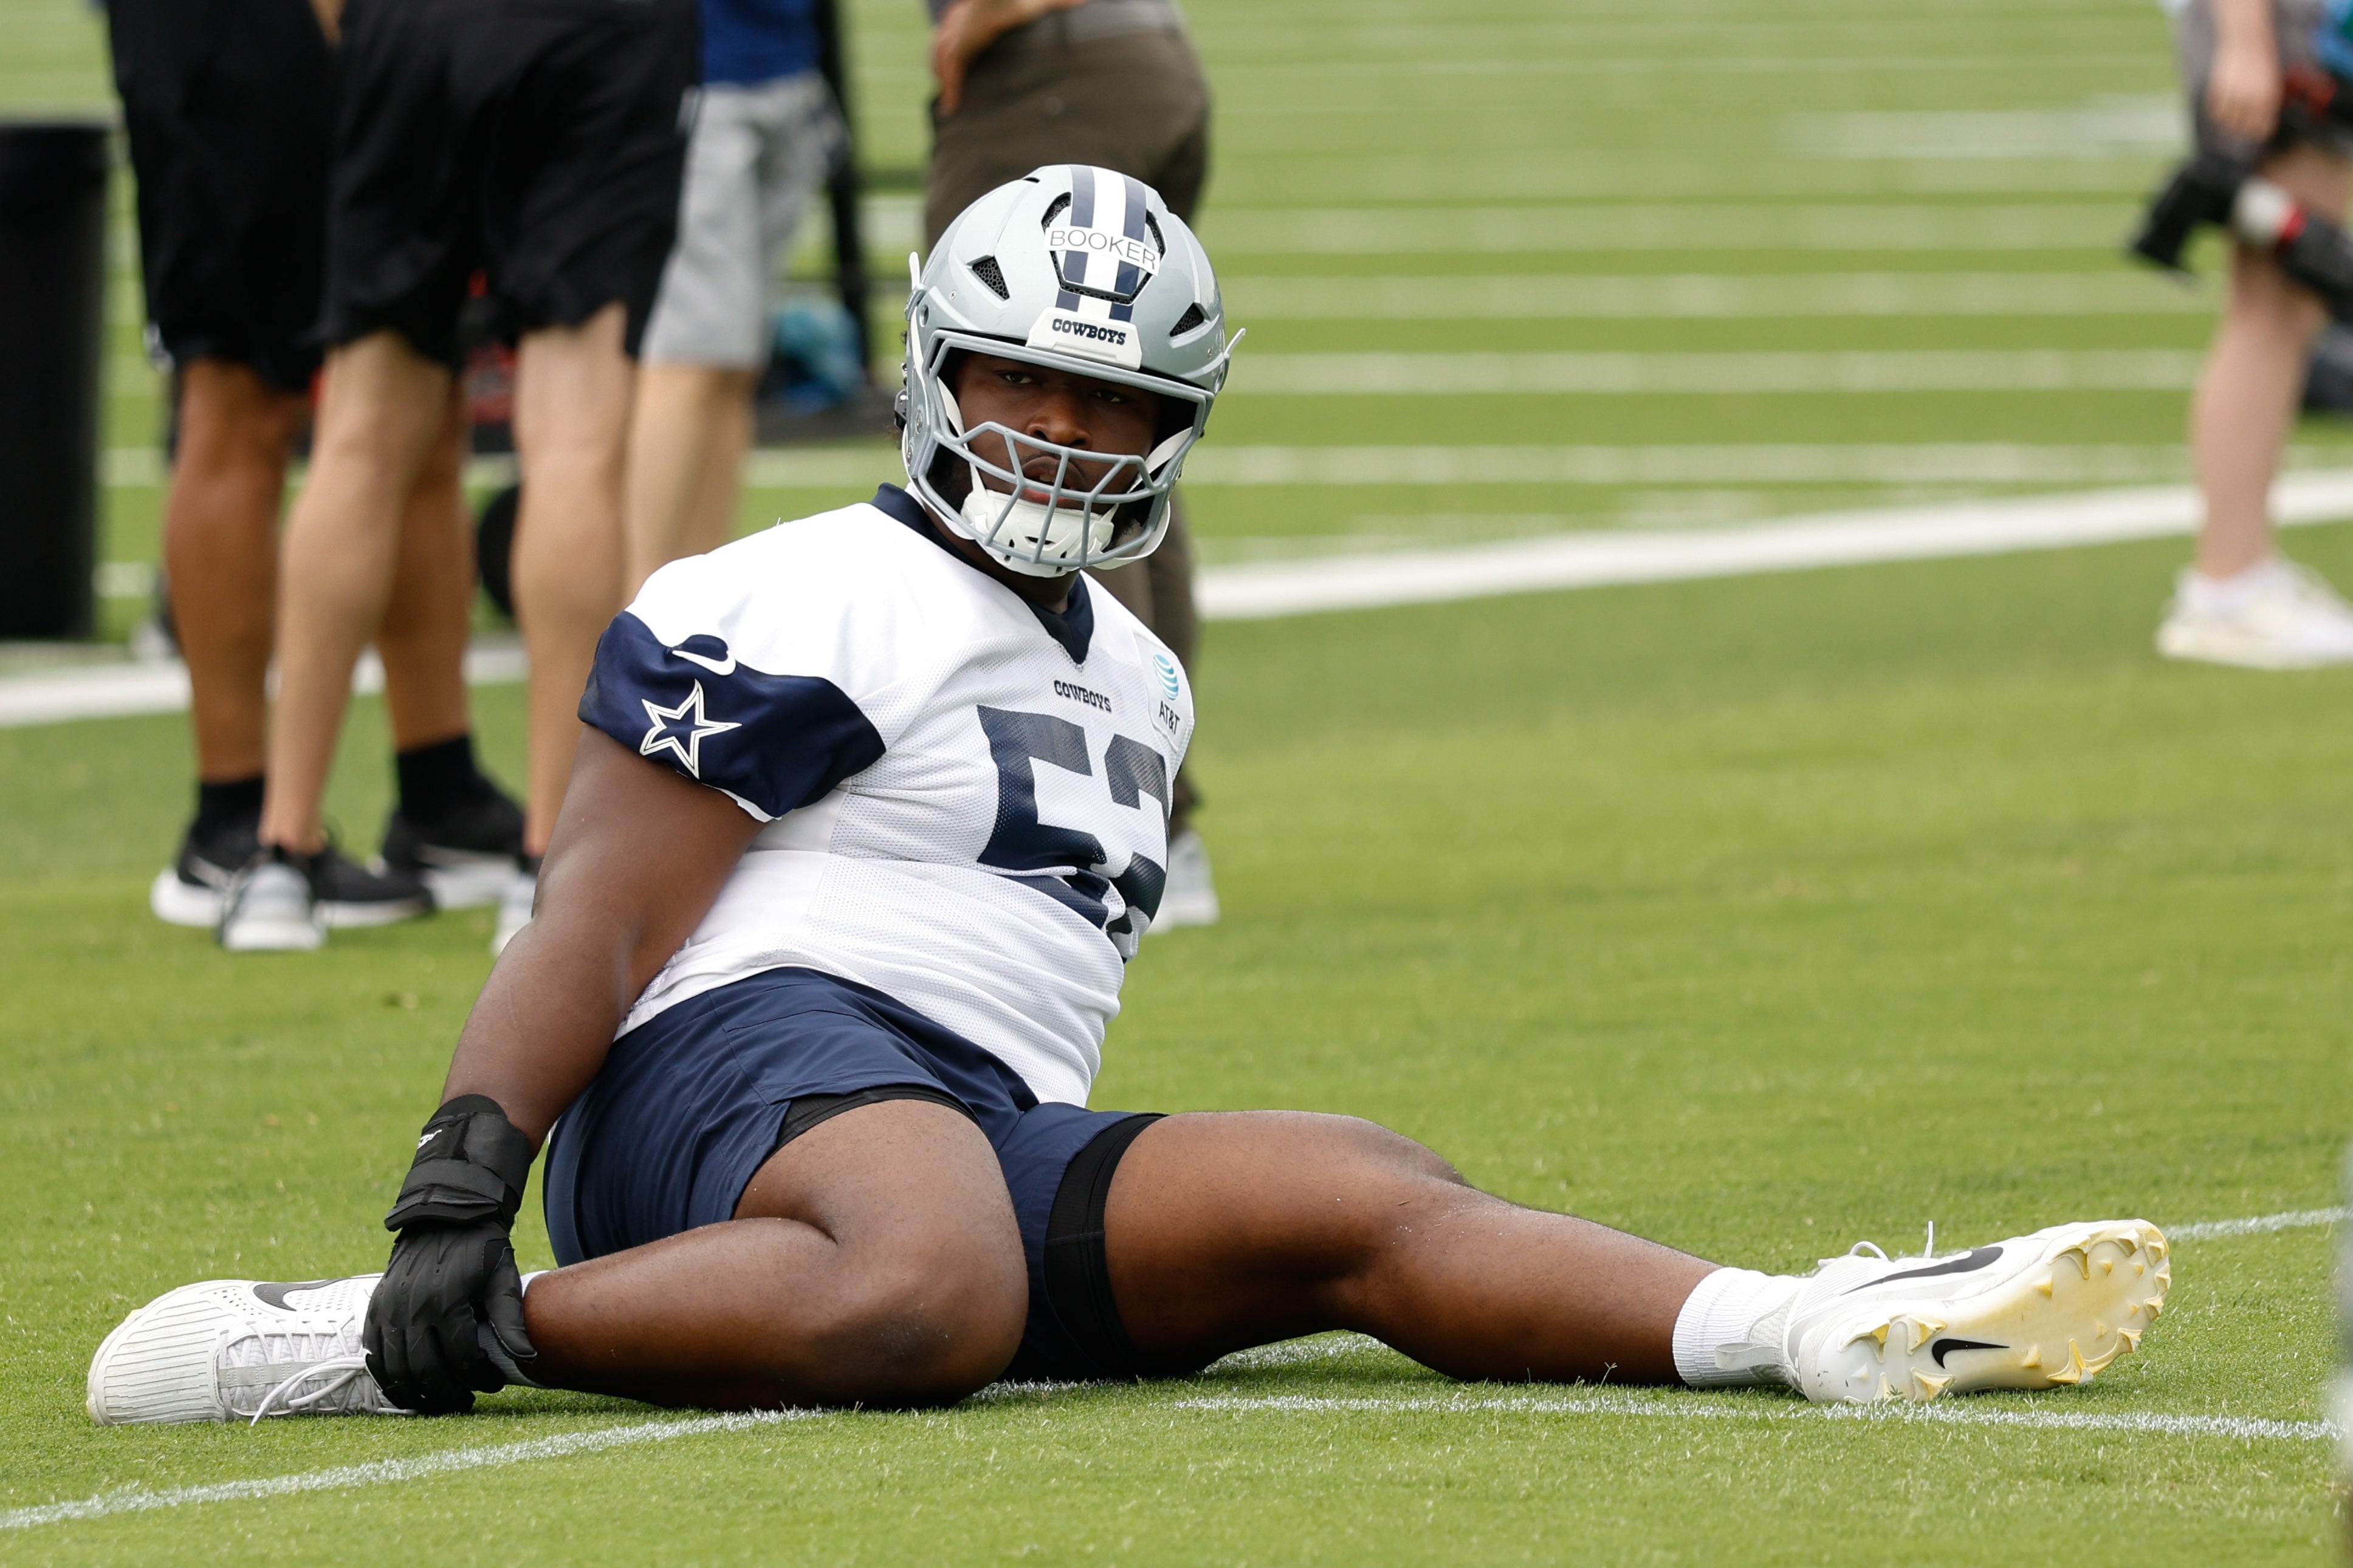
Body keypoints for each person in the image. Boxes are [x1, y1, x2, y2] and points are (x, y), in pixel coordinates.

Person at [85, 171, 2168, 1426]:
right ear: (939, 371)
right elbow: (603, 914)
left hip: (952, 1123)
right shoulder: (811, 582)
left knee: (1353, 1189)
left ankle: (1805, 1329)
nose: (1070, 436)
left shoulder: (1143, 666)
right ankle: (399, 1340)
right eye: (1030, 385)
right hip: (723, 1086)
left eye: (1119, 403)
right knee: (933, 1277)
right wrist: (461, 1184)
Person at [216, 0, 702, 954]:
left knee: (357, 433)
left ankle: (279, 854)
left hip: (411, 24)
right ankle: (544, 862)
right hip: (597, 33)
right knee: (572, 439)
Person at [106, 0, 523, 943]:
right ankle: (233, 821)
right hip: (238, 36)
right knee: (238, 392)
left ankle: (440, 792)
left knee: (420, 386)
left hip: (387, 34)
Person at [927, 0, 1219, 924]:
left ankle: (1106, 811)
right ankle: (1157, 814)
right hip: (1144, 59)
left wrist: (981, 16)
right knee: (1120, 439)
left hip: (1052, 66)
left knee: (1019, 430)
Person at [621, 0, 843, 597]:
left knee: (732, 367)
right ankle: (643, 619)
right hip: (698, 76)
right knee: (688, 363)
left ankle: (700, 608)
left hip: (785, 64)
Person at [2159, 0, 2353, 666]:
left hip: (2299, 30)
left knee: (2285, 308)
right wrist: (2245, 41)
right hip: (2284, 29)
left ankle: (2235, 579)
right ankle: (2229, 584)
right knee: (2272, 305)